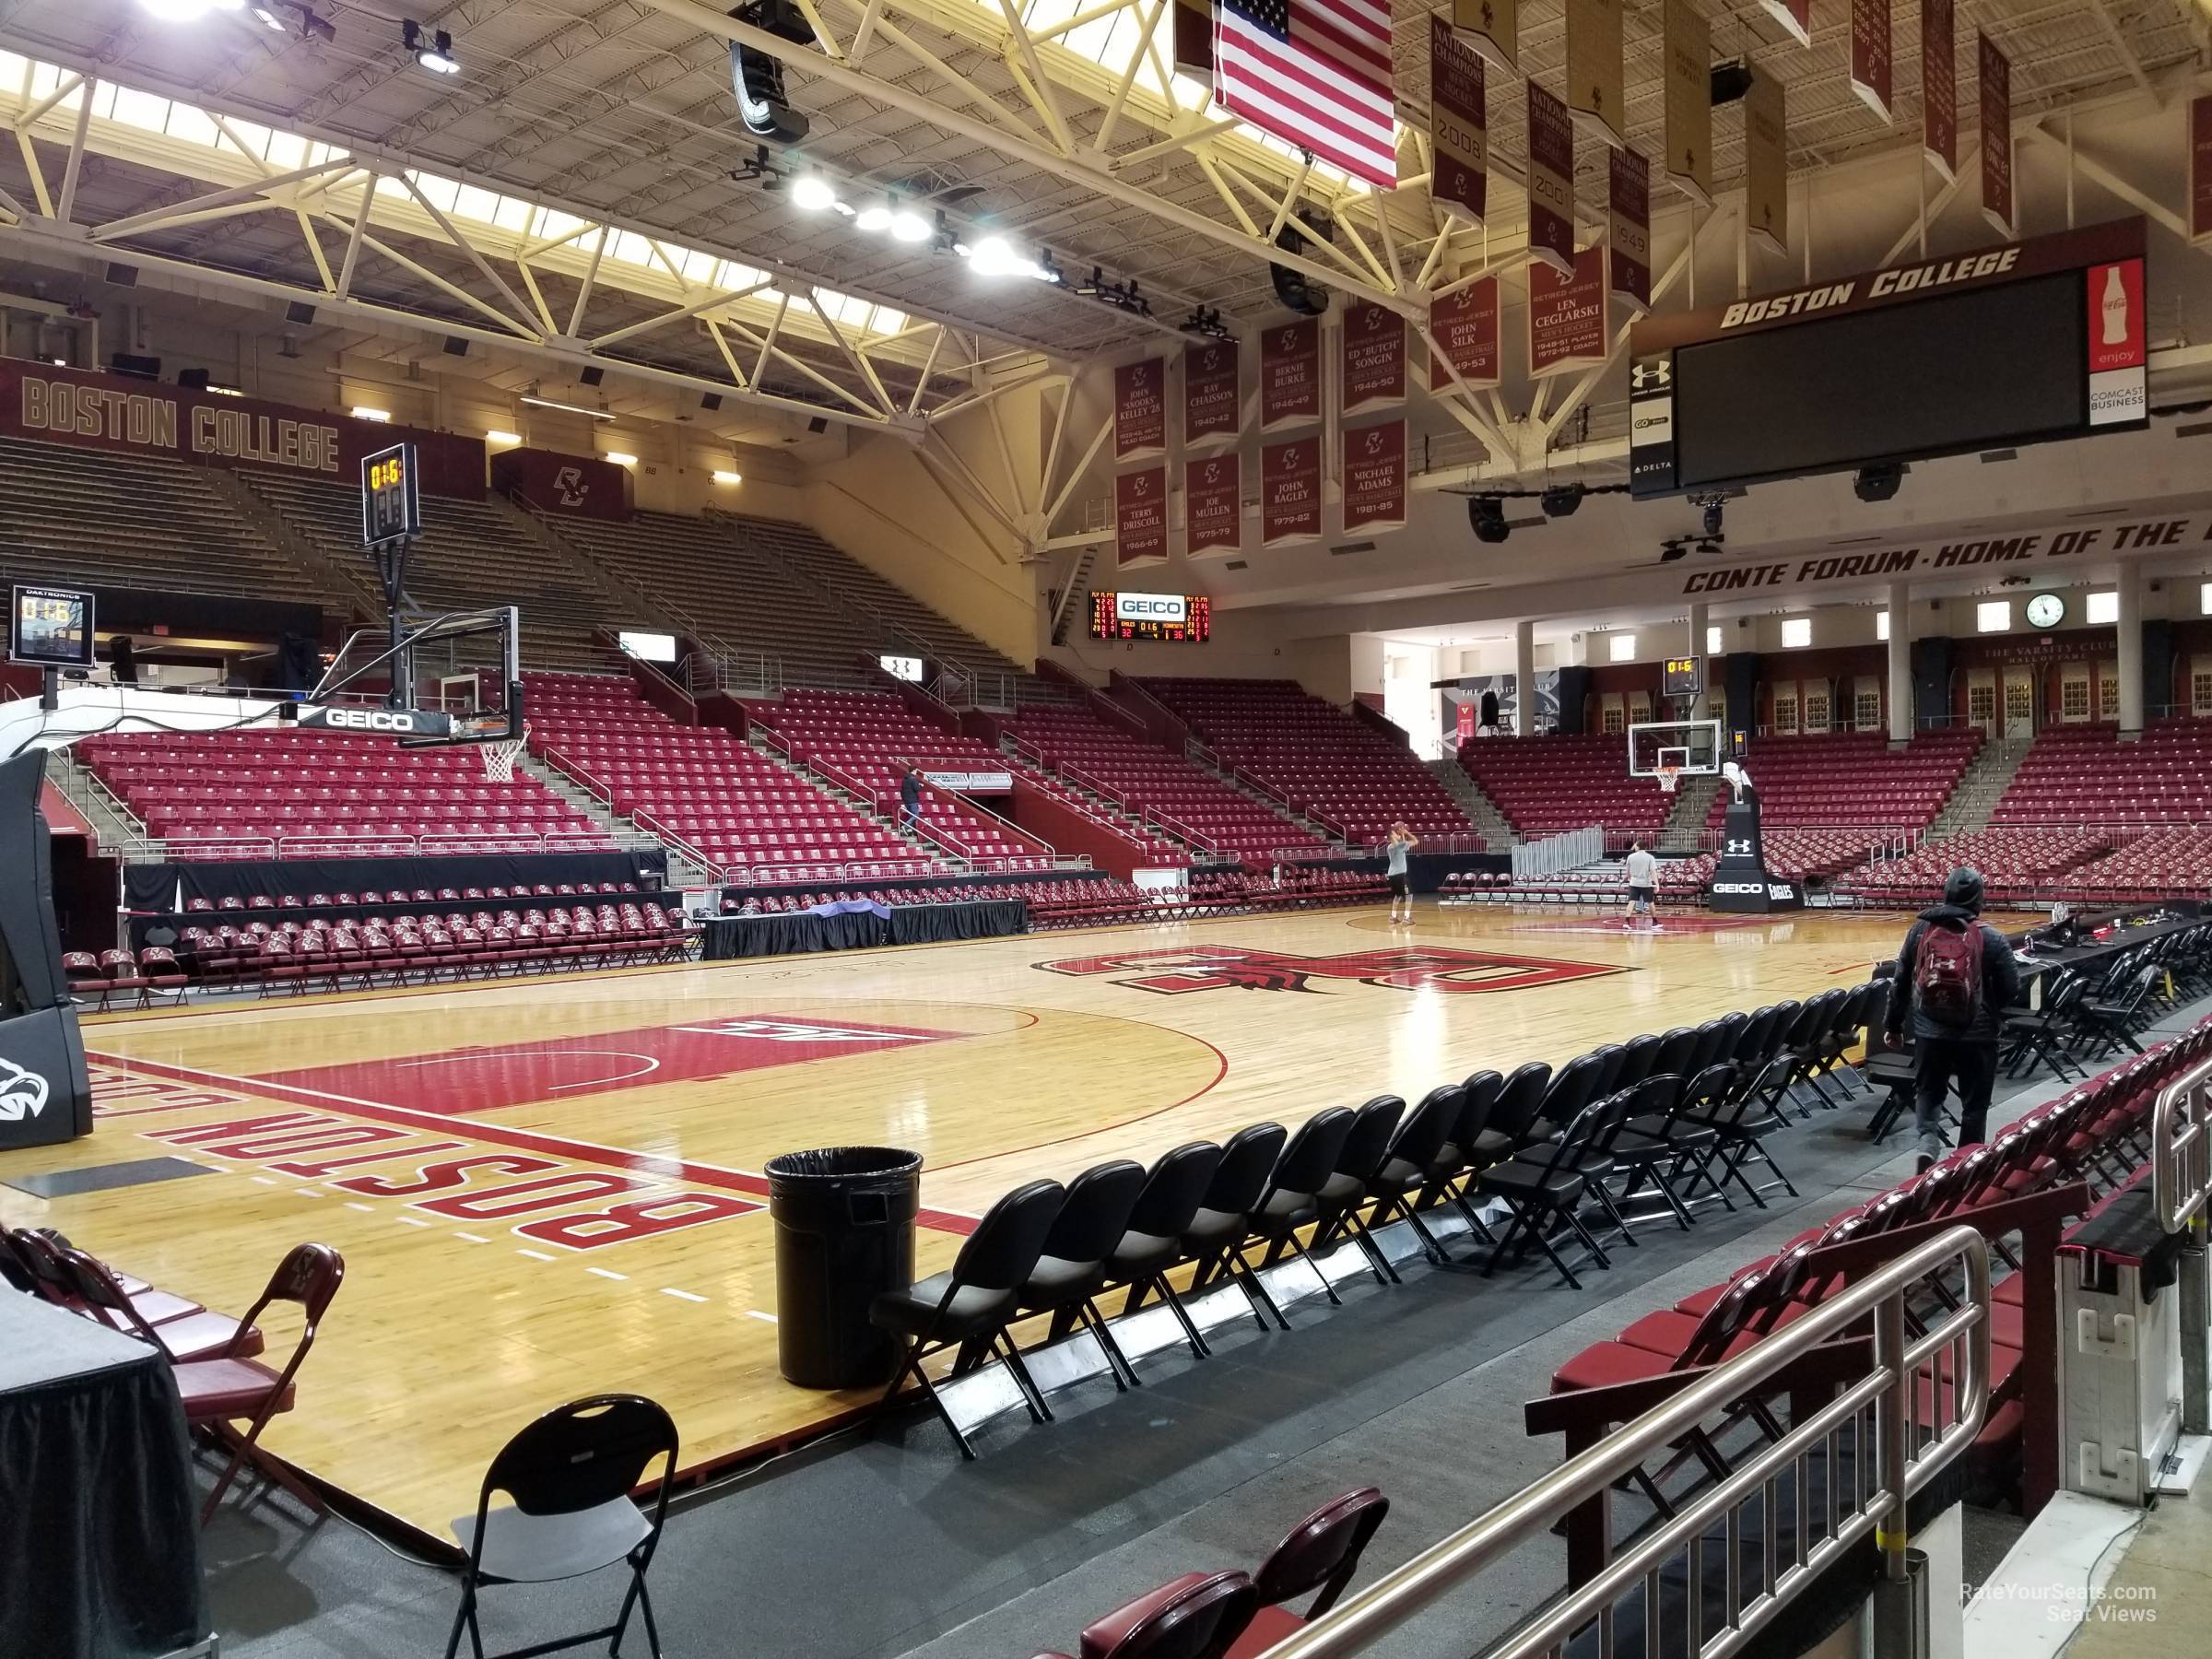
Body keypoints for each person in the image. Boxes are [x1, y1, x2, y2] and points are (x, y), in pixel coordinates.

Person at [1884, 866, 2022, 1173]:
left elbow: (1901, 983)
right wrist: (1990, 1009)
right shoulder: (1992, 938)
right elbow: (2013, 989)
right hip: (1979, 1034)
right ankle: (1966, 1167)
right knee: (1975, 1105)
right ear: (1979, 897)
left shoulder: (1920, 932)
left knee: (1929, 1092)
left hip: (1930, 1031)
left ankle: (1928, 1143)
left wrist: (1893, 1026)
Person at [1383, 821, 1419, 924]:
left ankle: (1393, 917)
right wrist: (1406, 833)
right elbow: (1416, 841)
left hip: (1392, 875)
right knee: (1409, 894)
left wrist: (1402, 835)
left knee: (1398, 895)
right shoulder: (1400, 845)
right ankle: (1406, 917)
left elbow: (1401, 844)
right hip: (1400, 875)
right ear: (1392, 836)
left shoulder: (1390, 847)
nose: (1398, 834)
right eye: (1395, 833)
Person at [1622, 840, 1661, 932]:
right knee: (1650, 902)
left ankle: (1626, 922)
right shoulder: (1650, 857)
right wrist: (1657, 884)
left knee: (1631, 902)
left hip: (1634, 882)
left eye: (1635, 845)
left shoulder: (1630, 857)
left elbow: (1627, 873)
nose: (1634, 847)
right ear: (1646, 847)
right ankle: (1655, 922)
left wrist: (1626, 878)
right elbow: (1653, 872)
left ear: (1638, 847)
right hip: (1646, 883)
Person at [899, 766, 923, 833]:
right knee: (916, 815)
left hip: (906, 800)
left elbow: (902, 790)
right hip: (913, 800)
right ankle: (906, 826)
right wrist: (920, 785)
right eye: (916, 771)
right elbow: (916, 789)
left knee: (911, 815)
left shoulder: (904, 779)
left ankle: (910, 830)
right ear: (914, 770)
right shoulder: (913, 779)